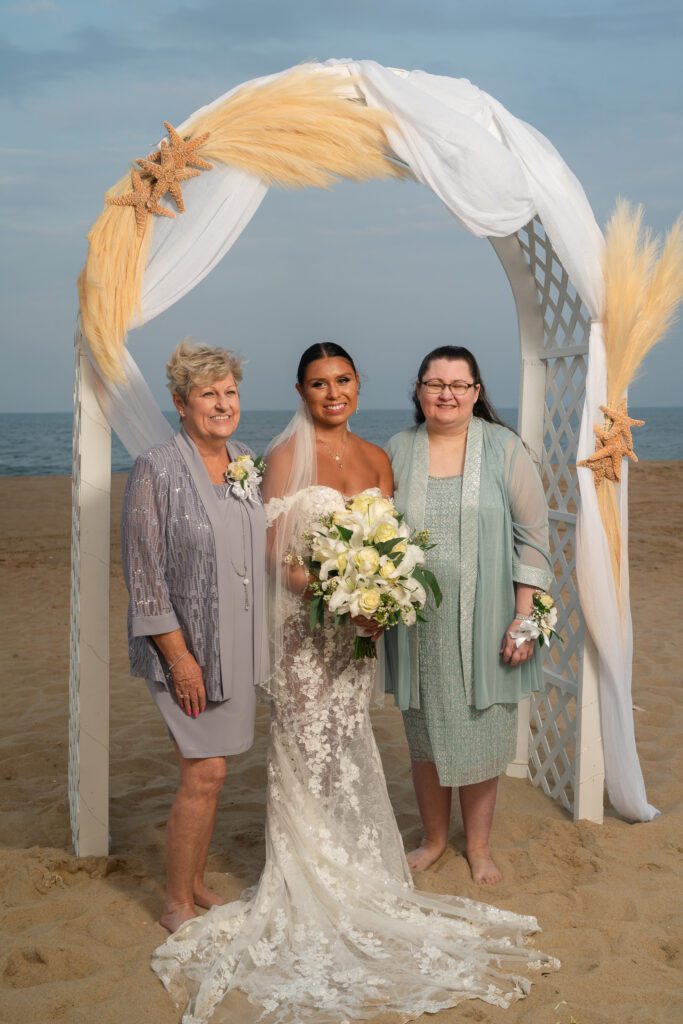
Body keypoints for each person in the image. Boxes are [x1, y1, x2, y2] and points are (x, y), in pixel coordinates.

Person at [151, 342, 557, 1023]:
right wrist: (343, 591)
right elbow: (277, 556)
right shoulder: (285, 457)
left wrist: (381, 603)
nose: (331, 392)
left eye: (342, 380)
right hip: (305, 639)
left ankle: (360, 868)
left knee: (351, 750)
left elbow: (394, 546)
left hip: (359, 640)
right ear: (302, 390)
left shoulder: (378, 459)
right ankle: (306, 872)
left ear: (359, 385)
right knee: (308, 756)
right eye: (317, 383)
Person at [385, 345, 553, 885]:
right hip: (418, 628)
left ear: (477, 393)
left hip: (489, 623)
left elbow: (534, 538)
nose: (447, 394)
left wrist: (524, 620)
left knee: (481, 737)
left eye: (460, 385)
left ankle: (478, 846)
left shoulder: (504, 448)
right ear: (419, 390)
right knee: (426, 736)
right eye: (436, 383)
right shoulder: (397, 450)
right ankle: (435, 839)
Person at [121, 340, 266, 933]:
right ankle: (176, 902)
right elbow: (144, 574)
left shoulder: (246, 460)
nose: (222, 403)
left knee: (216, 772)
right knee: (202, 773)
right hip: (185, 649)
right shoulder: (156, 467)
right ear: (180, 403)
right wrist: (180, 660)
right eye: (208, 393)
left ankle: (197, 882)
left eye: (229, 391)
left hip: (237, 645)